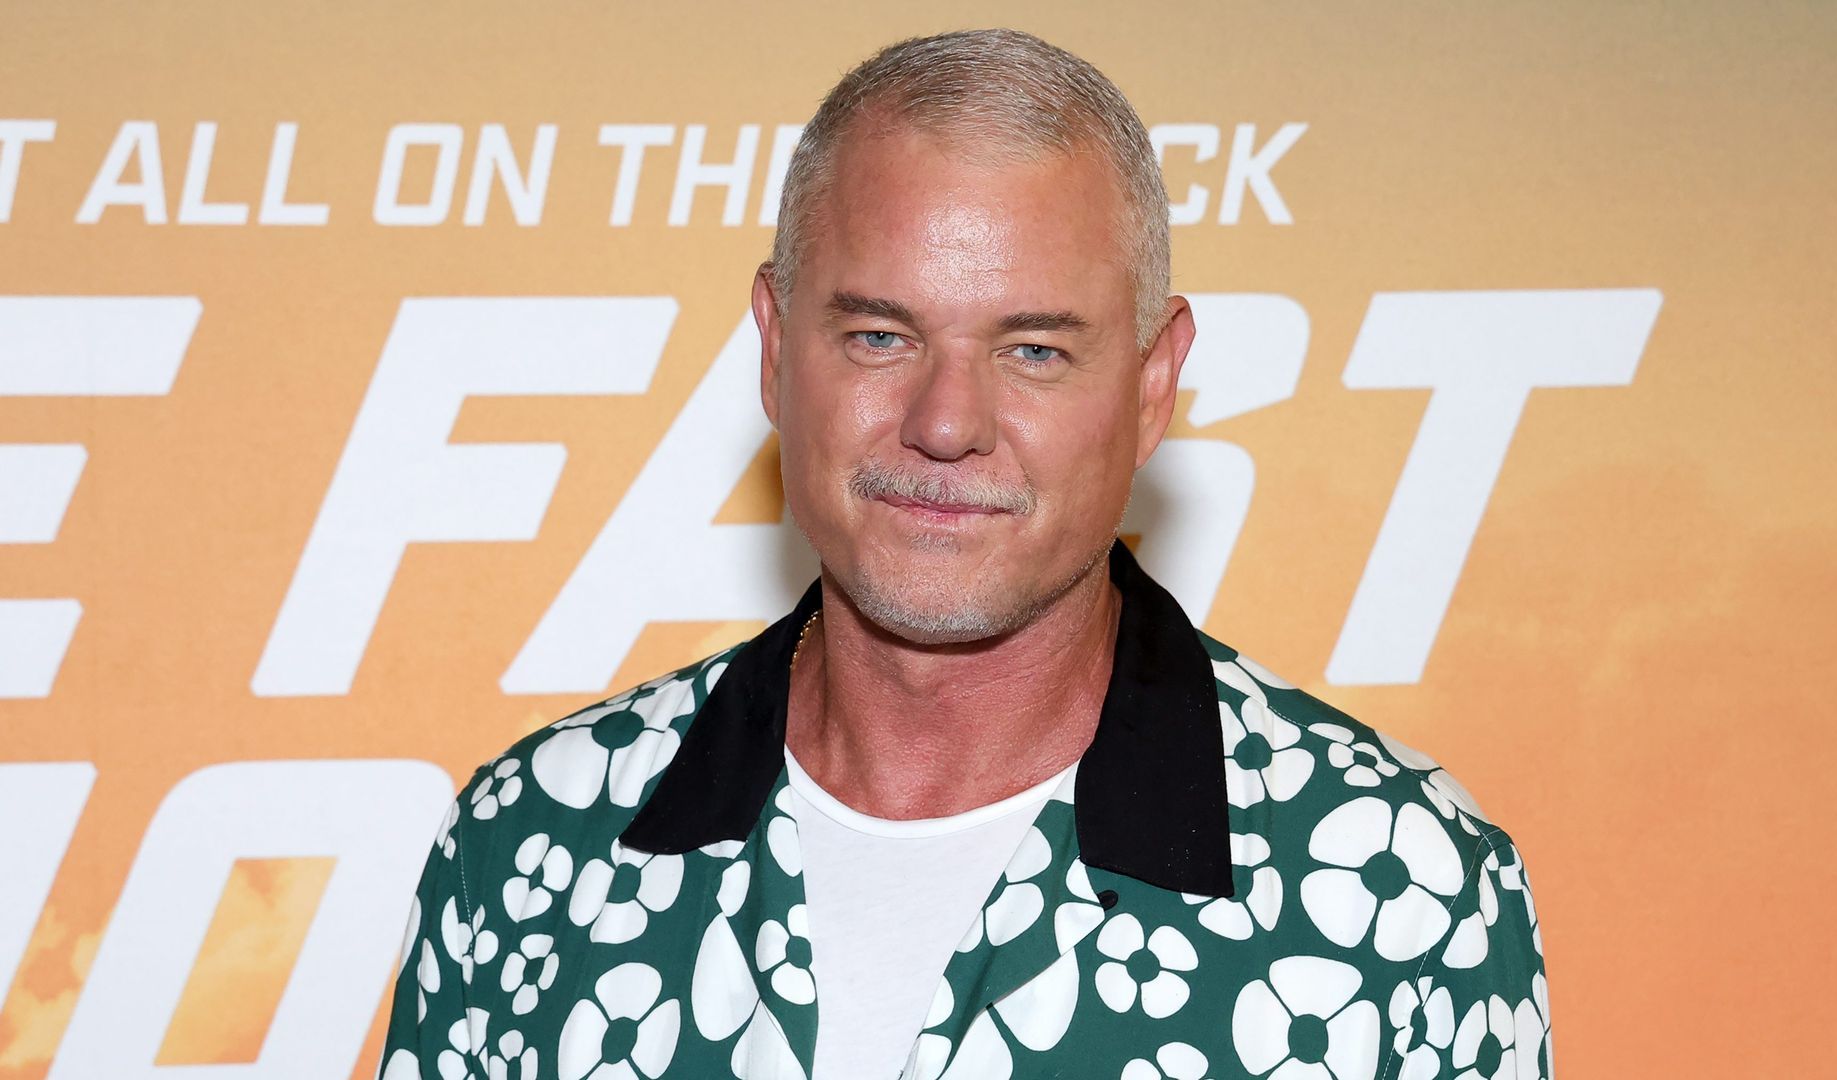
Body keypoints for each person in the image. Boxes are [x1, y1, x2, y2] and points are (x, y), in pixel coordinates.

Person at [377, 28, 1551, 1080]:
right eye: (879, 336)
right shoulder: (530, 843)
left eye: (1034, 351)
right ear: (776, 349)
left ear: (1153, 386)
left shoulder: (1407, 894)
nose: (945, 424)